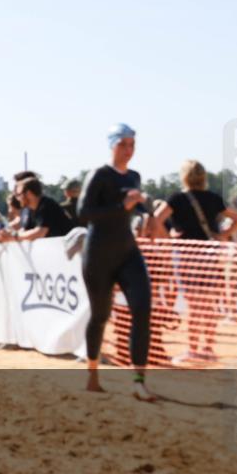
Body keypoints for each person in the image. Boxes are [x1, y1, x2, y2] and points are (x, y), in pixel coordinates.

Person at [77, 123, 154, 401]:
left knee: (143, 308)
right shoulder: (99, 175)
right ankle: (92, 373)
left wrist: (147, 213)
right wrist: (123, 207)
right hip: (98, 254)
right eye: (123, 144)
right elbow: (84, 212)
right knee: (100, 316)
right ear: (111, 145)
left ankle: (138, 382)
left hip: (127, 252)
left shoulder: (134, 176)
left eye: (132, 144)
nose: (128, 150)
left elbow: (139, 206)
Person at [153, 160, 237, 363]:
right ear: (204, 177)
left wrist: (168, 240)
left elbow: (156, 219)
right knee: (209, 304)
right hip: (210, 254)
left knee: (194, 305)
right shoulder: (214, 198)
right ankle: (208, 348)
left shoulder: (177, 198)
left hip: (187, 255)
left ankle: (193, 349)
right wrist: (224, 235)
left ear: (183, 176)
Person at [0, 177, 73, 242]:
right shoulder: (30, 210)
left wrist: (14, 237)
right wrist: (7, 235)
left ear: (29, 193)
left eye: (19, 195)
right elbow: (24, 231)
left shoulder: (47, 205)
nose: (18, 199)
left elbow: (40, 232)